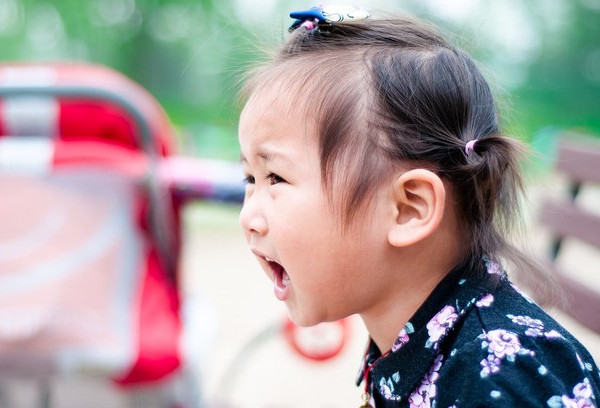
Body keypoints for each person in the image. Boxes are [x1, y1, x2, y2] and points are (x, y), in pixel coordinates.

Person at [237, 5, 600, 407]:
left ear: (409, 208)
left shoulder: (500, 383)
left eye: (276, 178)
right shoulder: (413, 328)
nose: (248, 217)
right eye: (250, 179)